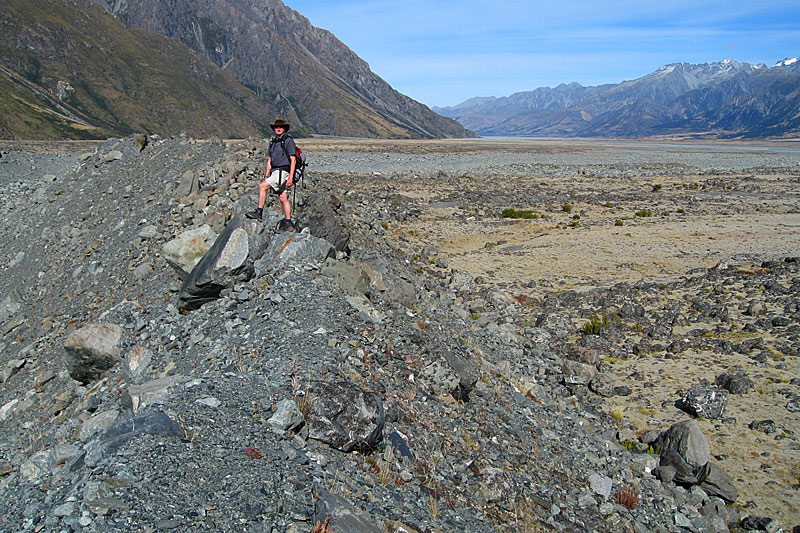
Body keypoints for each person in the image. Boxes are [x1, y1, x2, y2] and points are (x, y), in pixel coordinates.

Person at [246, 119, 297, 230]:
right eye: (276, 127)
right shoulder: (273, 142)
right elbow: (269, 160)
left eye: (280, 127)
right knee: (283, 197)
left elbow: (293, 160)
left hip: (282, 172)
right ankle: (288, 222)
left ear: (284, 129)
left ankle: (259, 212)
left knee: (262, 186)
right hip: (275, 172)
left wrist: (291, 178)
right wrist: (267, 174)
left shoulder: (288, 141)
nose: (278, 129)